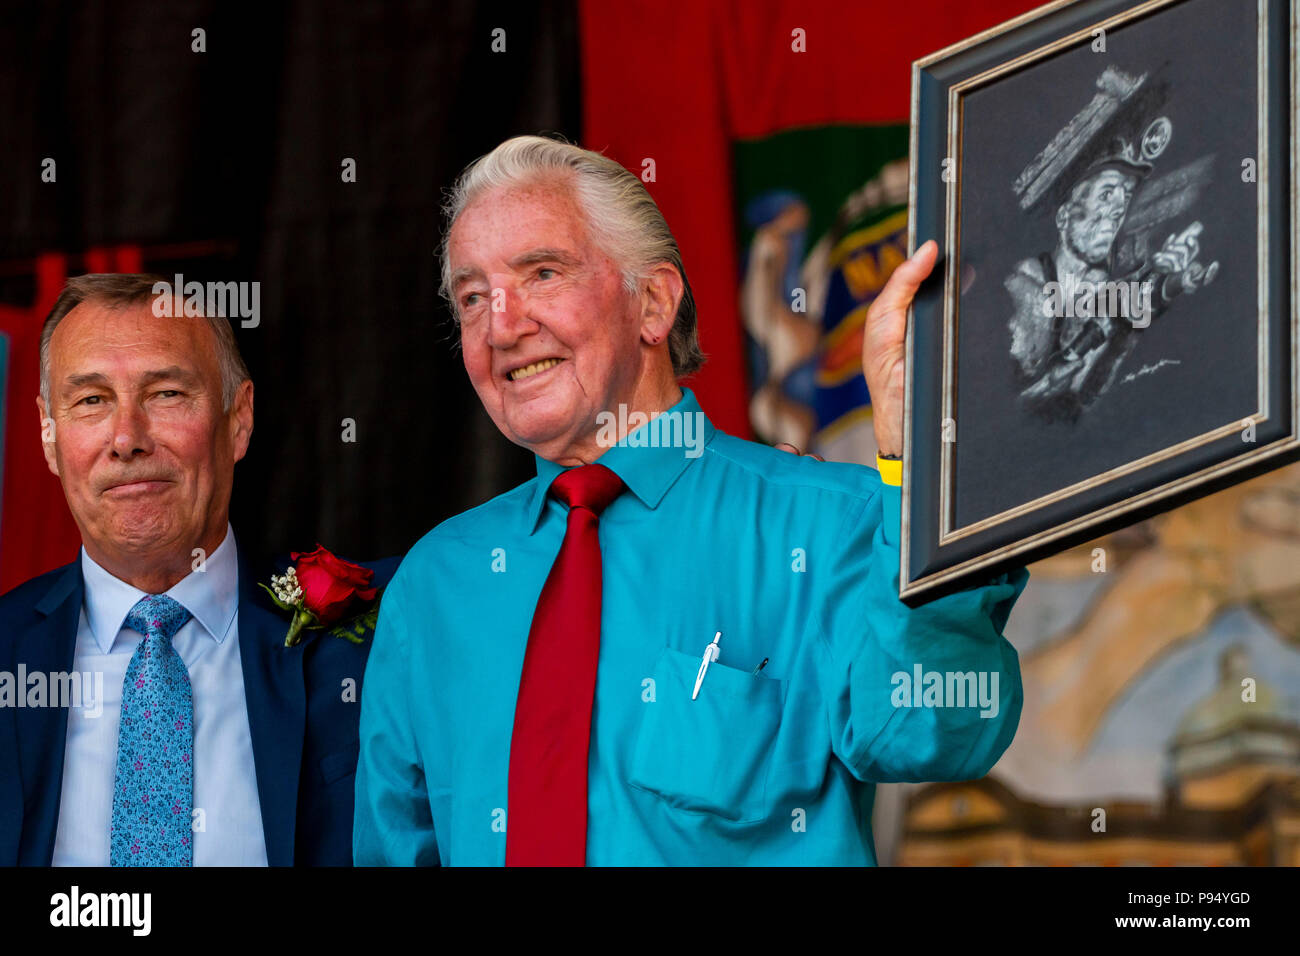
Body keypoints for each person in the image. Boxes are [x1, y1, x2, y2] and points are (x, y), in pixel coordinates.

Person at [353, 134, 1027, 866]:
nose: (501, 326)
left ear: (653, 302)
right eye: (472, 296)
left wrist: (914, 462)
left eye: (542, 273)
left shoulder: (837, 521)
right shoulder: (435, 582)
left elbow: (941, 726)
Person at [0, 274, 395, 865]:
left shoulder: (382, 628)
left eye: (165, 394)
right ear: (48, 435)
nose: (127, 438)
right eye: (91, 401)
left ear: (239, 419)